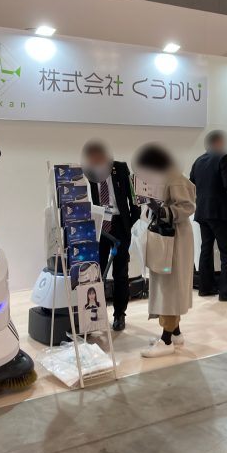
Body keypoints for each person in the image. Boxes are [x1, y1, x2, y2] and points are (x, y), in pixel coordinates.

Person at [134, 143, 196, 359]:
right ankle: (175, 333)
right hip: (164, 238)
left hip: (174, 239)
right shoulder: (160, 177)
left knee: (171, 286)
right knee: (165, 284)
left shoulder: (175, 177)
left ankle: (167, 339)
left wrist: (162, 211)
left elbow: (187, 206)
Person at [82, 141, 141, 332]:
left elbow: (133, 197)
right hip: (99, 225)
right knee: (96, 271)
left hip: (119, 224)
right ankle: (96, 316)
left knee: (120, 273)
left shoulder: (120, 168)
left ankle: (119, 314)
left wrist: (129, 223)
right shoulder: (88, 173)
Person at [189, 130, 227, 301]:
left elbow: (192, 184)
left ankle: (205, 288)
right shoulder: (223, 158)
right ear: (218, 143)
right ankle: (226, 292)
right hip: (219, 212)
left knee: (205, 250)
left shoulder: (198, 161)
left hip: (202, 211)